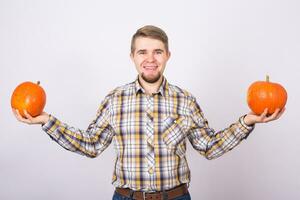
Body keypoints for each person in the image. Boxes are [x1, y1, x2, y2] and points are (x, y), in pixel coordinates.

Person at [13, 25, 285, 200]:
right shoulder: (115, 99)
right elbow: (91, 145)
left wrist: (248, 121)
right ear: (132, 57)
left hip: (176, 197)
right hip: (126, 197)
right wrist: (47, 121)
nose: (150, 59)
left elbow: (209, 147)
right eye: (143, 52)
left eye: (157, 52)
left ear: (168, 55)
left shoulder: (185, 100)